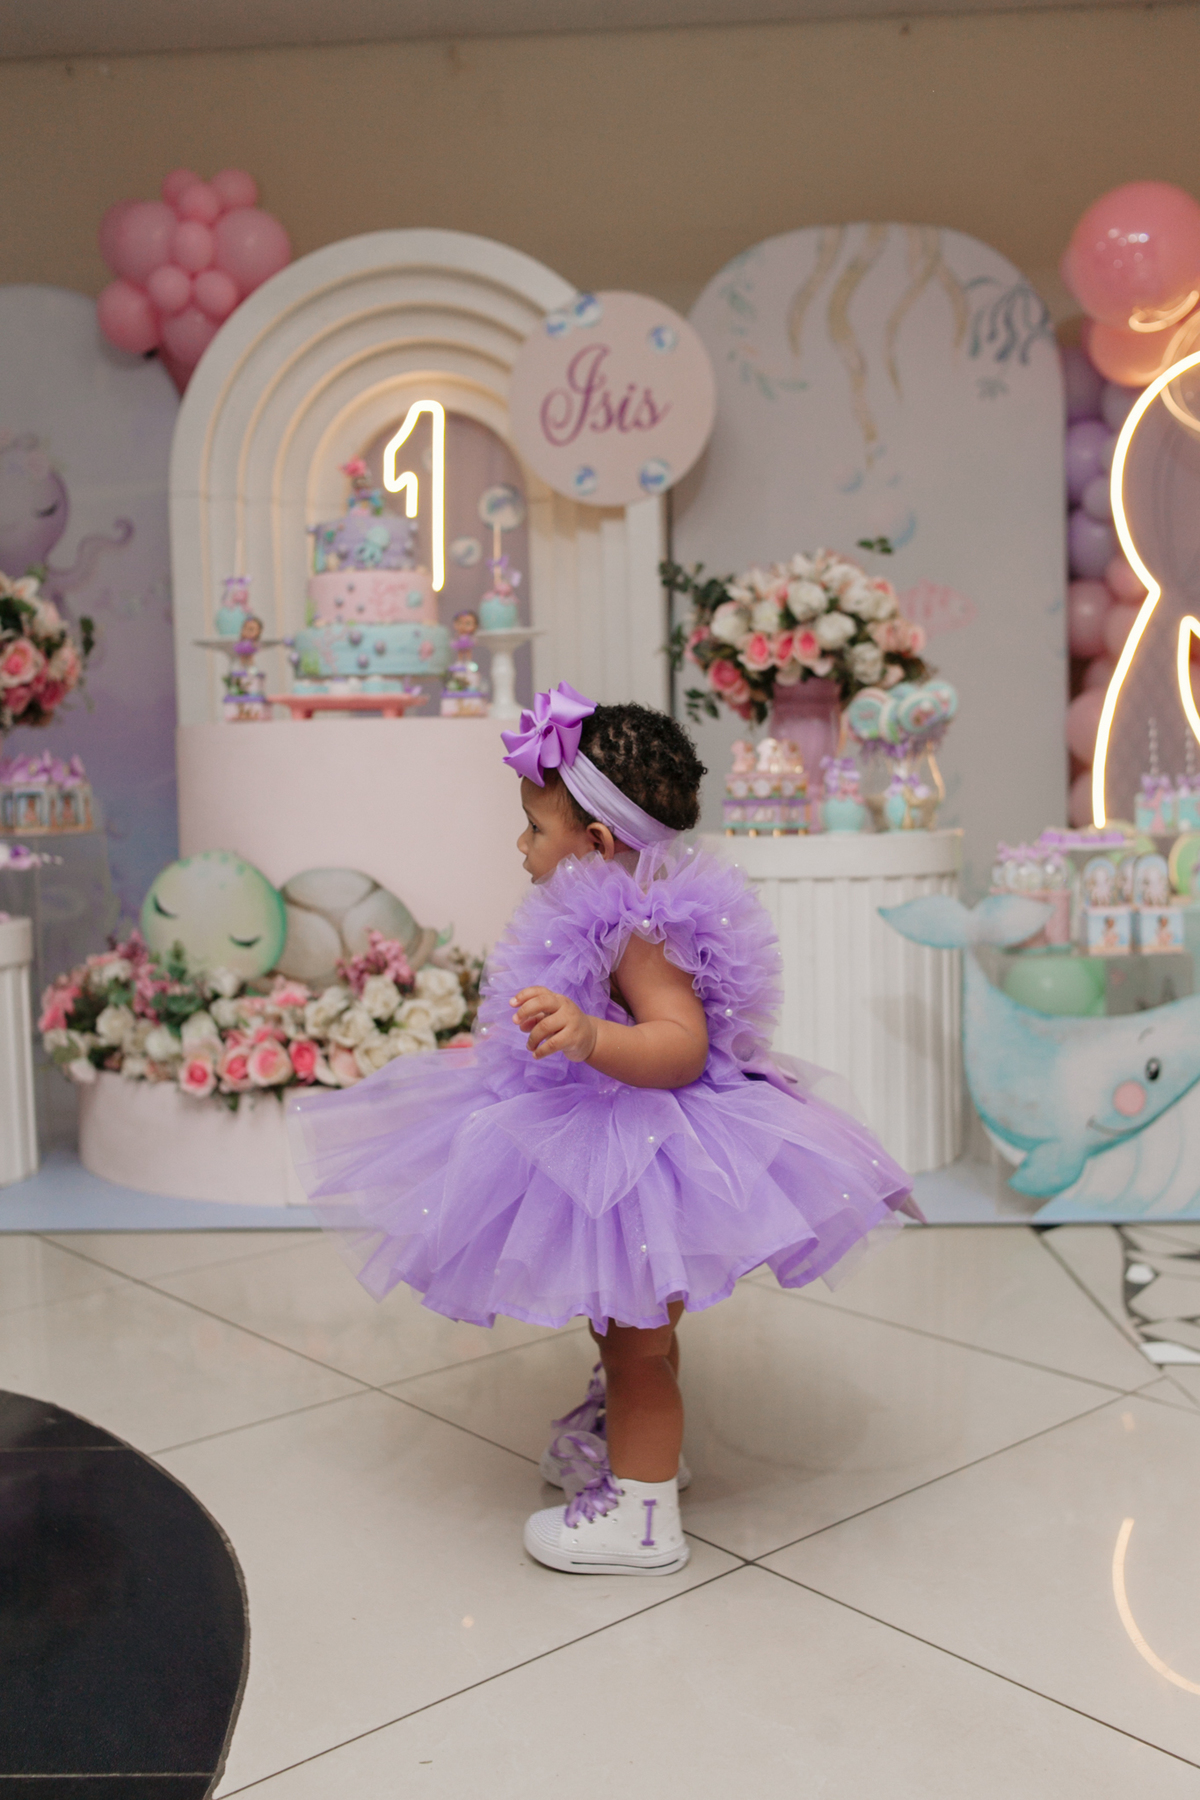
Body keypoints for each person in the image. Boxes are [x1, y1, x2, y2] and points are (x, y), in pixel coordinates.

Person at [287, 683, 914, 1577]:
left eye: (534, 829)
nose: (522, 846)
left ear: (596, 843)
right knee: (630, 1328)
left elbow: (681, 1047)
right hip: (608, 1131)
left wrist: (589, 1036)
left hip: (643, 1148)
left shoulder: (639, 930)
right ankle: (632, 1445)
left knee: (636, 1348)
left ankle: (643, 1518)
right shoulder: (601, 912)